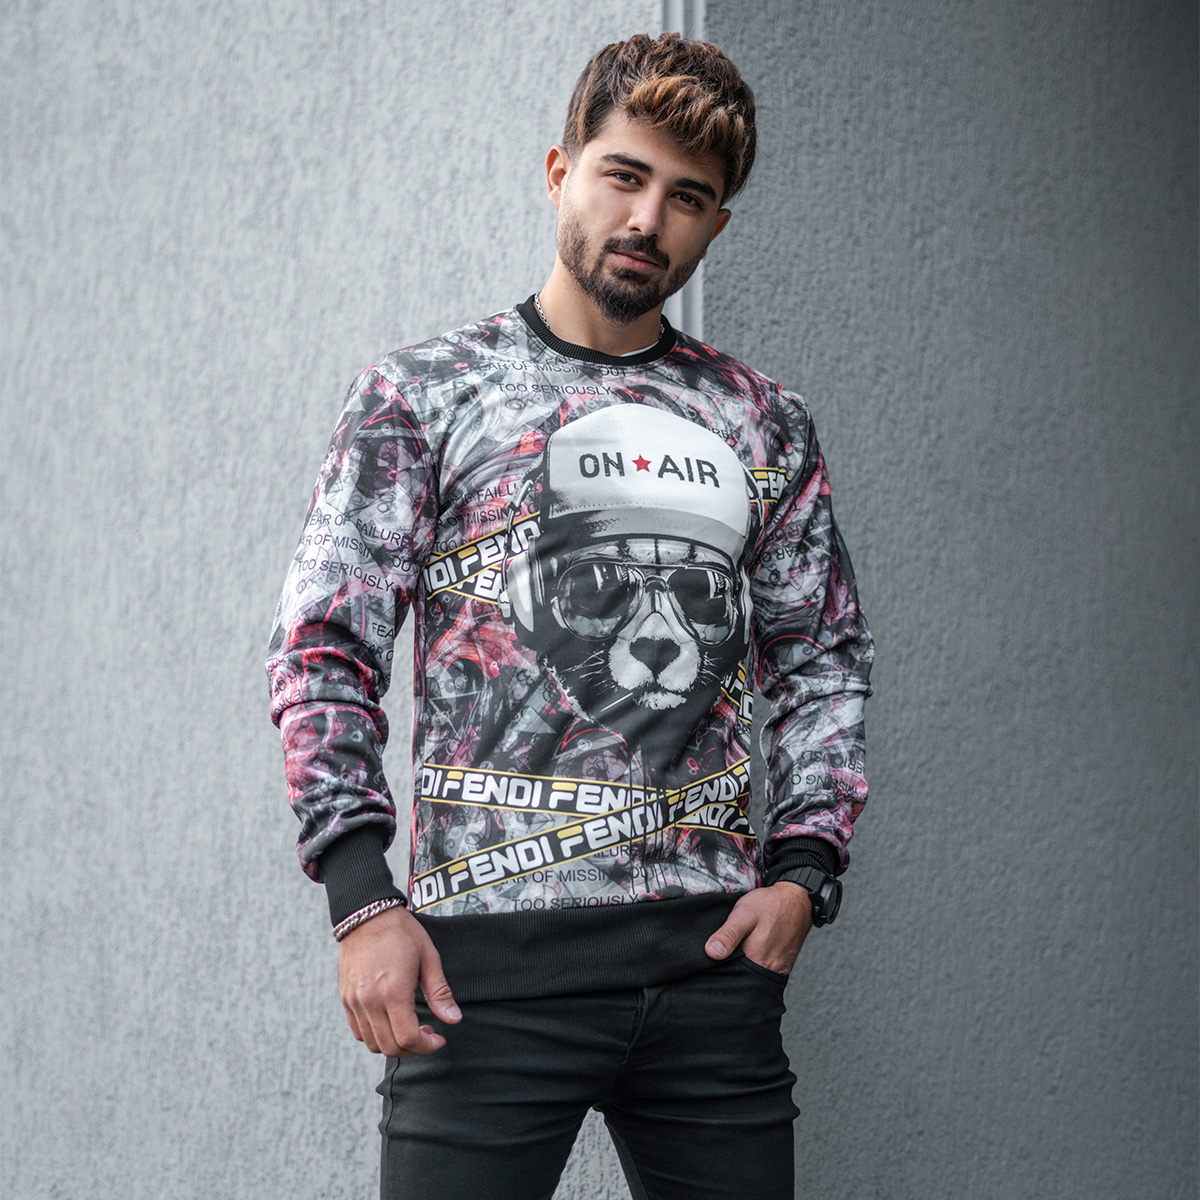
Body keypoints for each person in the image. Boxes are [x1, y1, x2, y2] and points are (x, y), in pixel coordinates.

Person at [266, 32, 872, 1200]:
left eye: (687, 197)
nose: (647, 218)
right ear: (561, 172)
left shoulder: (764, 422)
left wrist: (804, 871)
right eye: (623, 175)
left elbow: (823, 661)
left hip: (711, 978)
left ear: (716, 227)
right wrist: (360, 897)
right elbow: (324, 648)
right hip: (480, 984)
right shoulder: (424, 395)